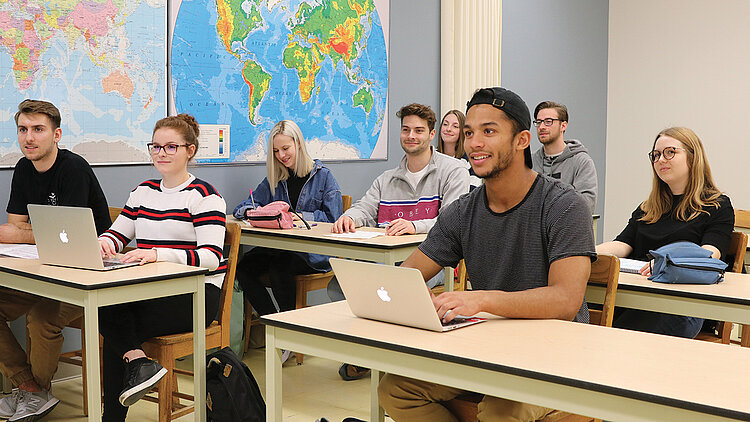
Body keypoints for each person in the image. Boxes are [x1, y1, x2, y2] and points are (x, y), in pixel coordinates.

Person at [377, 87, 595, 422]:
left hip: (557, 356)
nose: (474, 143)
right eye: (469, 133)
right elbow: (407, 275)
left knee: (501, 409)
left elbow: (565, 300)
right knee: (394, 389)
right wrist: (391, 295)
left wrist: (480, 300)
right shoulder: (464, 211)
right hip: (485, 351)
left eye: (489, 132)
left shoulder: (564, 205)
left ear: (522, 140)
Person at [97, 114, 226, 421]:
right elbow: (118, 234)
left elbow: (210, 257)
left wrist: (159, 254)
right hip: (152, 290)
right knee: (105, 307)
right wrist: (104, 242)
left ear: (189, 151)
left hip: (195, 296)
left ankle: (117, 408)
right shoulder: (143, 191)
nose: (162, 154)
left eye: (171, 147)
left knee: (117, 323)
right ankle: (139, 362)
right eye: (156, 147)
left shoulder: (205, 196)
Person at [330, 103, 470, 381]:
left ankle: (383, 356)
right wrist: (349, 217)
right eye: (406, 130)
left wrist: (414, 226)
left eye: (419, 130)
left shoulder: (454, 171)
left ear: (432, 135)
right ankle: (373, 352)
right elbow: (365, 208)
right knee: (340, 285)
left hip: (432, 264)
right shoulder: (386, 178)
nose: (411, 136)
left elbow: (453, 220)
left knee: (392, 288)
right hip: (385, 261)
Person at [0, 99, 110, 421]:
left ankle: (35, 393)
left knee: (40, 317)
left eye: (38, 129)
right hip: (41, 270)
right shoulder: (23, 168)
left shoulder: (74, 168)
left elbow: (68, 234)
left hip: (87, 275)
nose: (29, 138)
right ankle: (30, 388)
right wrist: (35, 230)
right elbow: (13, 226)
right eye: (23, 130)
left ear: (56, 134)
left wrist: (27, 230)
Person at [596, 127, 733, 338]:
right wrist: (584, 252)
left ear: (693, 157)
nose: (661, 160)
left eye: (670, 152)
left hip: (681, 305)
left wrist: (666, 262)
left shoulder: (717, 206)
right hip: (636, 296)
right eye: (656, 155)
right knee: (585, 306)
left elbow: (710, 254)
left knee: (612, 335)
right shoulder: (648, 207)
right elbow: (623, 244)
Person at [232, 120, 342, 319]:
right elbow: (242, 207)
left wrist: (299, 218)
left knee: (279, 269)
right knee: (243, 268)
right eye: (276, 151)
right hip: (279, 249)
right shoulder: (275, 179)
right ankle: (274, 322)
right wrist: (252, 212)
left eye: (285, 148)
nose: (281, 156)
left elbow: (334, 220)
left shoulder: (324, 177)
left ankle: (287, 331)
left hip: (312, 253)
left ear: (298, 143)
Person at [531, 101, 597, 213]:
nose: (541, 127)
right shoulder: (530, 162)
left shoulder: (581, 162)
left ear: (563, 125)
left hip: (566, 229)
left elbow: (586, 205)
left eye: (548, 122)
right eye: (538, 122)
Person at [437, 109, 480, 188]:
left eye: (455, 126)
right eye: (445, 124)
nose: (448, 129)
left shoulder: (471, 160)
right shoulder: (431, 157)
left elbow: (472, 192)